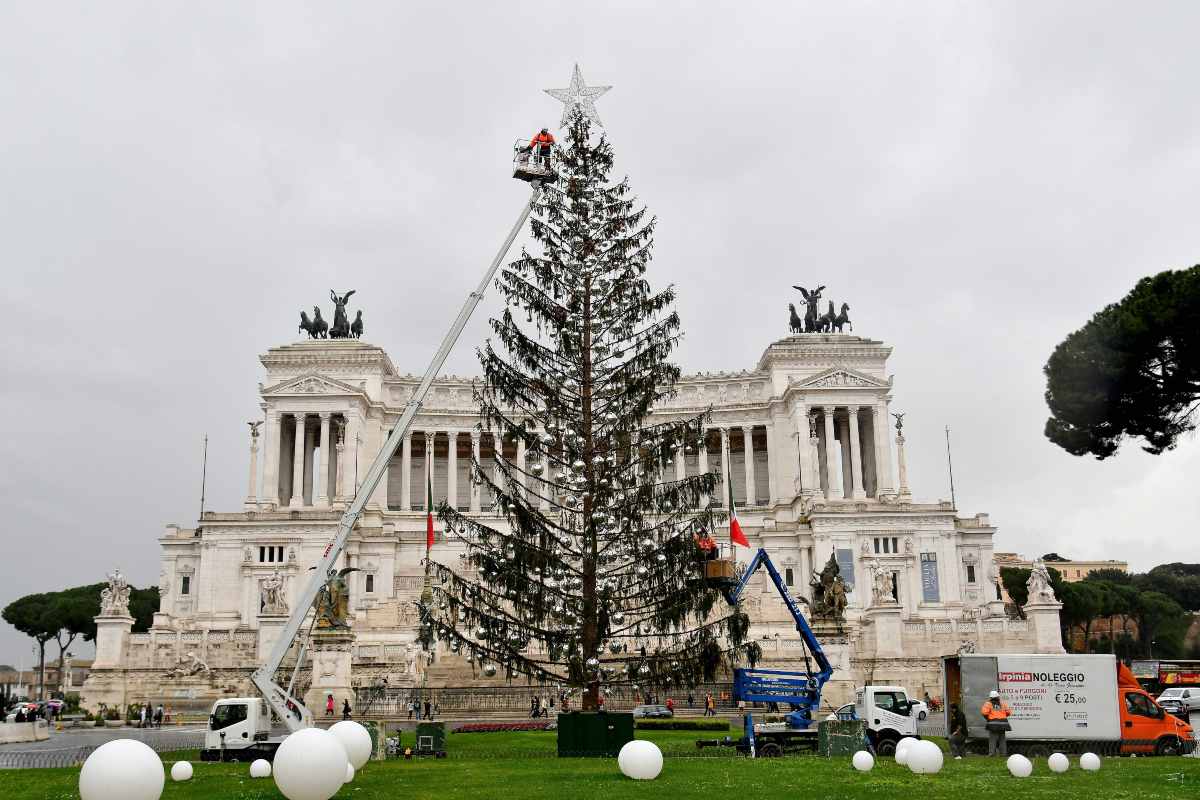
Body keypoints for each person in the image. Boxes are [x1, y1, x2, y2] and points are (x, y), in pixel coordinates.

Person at [980, 690, 1011, 756]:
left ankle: (992, 754)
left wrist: (988, 718)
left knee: (992, 740)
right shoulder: (1003, 704)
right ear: (998, 697)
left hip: (993, 724)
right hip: (1003, 724)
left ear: (990, 697)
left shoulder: (988, 704)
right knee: (1002, 740)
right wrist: (1002, 717)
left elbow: (984, 713)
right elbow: (1008, 712)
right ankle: (1003, 754)